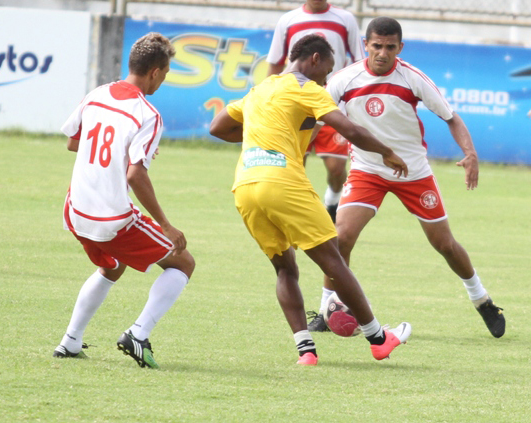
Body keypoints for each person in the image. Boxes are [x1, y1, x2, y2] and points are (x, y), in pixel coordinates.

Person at [210, 34, 411, 365]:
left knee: (284, 269)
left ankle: (306, 351)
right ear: (314, 59)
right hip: (282, 182)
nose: (327, 80)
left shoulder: (261, 88)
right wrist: (387, 152)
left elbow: (217, 127)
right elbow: (349, 130)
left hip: (245, 185)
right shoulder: (306, 88)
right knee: (332, 260)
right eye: (326, 72)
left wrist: (260, 138)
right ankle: (378, 339)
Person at [320, 17, 505, 338]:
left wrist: (471, 154)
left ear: (399, 48)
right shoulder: (343, 80)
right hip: (367, 171)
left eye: (390, 47)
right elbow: (314, 114)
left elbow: (451, 117)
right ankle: (326, 310)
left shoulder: (412, 78)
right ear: (366, 45)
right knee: (342, 237)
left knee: (444, 244)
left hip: (413, 173)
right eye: (377, 46)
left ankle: (482, 299)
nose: (382, 53)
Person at [53, 32, 195, 369]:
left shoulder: (97, 94)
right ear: (156, 72)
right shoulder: (147, 113)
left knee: (112, 265)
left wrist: (125, 153)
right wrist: (166, 225)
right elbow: (135, 175)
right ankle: (138, 334)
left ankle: (70, 341)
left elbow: (74, 143)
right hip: (111, 217)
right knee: (183, 262)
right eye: (166, 74)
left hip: (75, 211)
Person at [267, 0, 365, 231]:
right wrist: (270, 97)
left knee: (336, 169)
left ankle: (332, 201)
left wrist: (356, 102)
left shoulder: (345, 20)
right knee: (295, 162)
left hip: (333, 105)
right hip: (297, 106)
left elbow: (359, 62)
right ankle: (291, 216)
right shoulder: (288, 20)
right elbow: (276, 63)